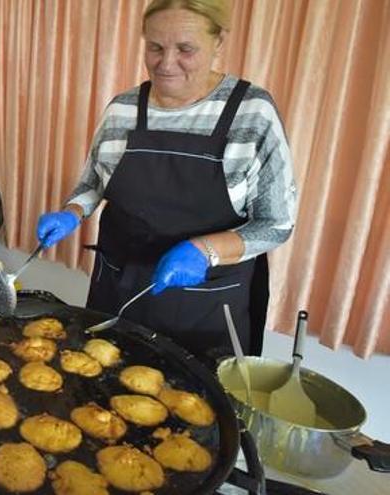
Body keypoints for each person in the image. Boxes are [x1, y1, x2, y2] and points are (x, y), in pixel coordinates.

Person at [37, 0, 297, 360]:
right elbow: (93, 183)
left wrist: (205, 251)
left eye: (185, 49)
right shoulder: (122, 109)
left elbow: (277, 224)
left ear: (218, 42)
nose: (166, 63)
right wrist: (71, 212)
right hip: (118, 292)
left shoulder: (252, 113)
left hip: (206, 304)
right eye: (155, 47)